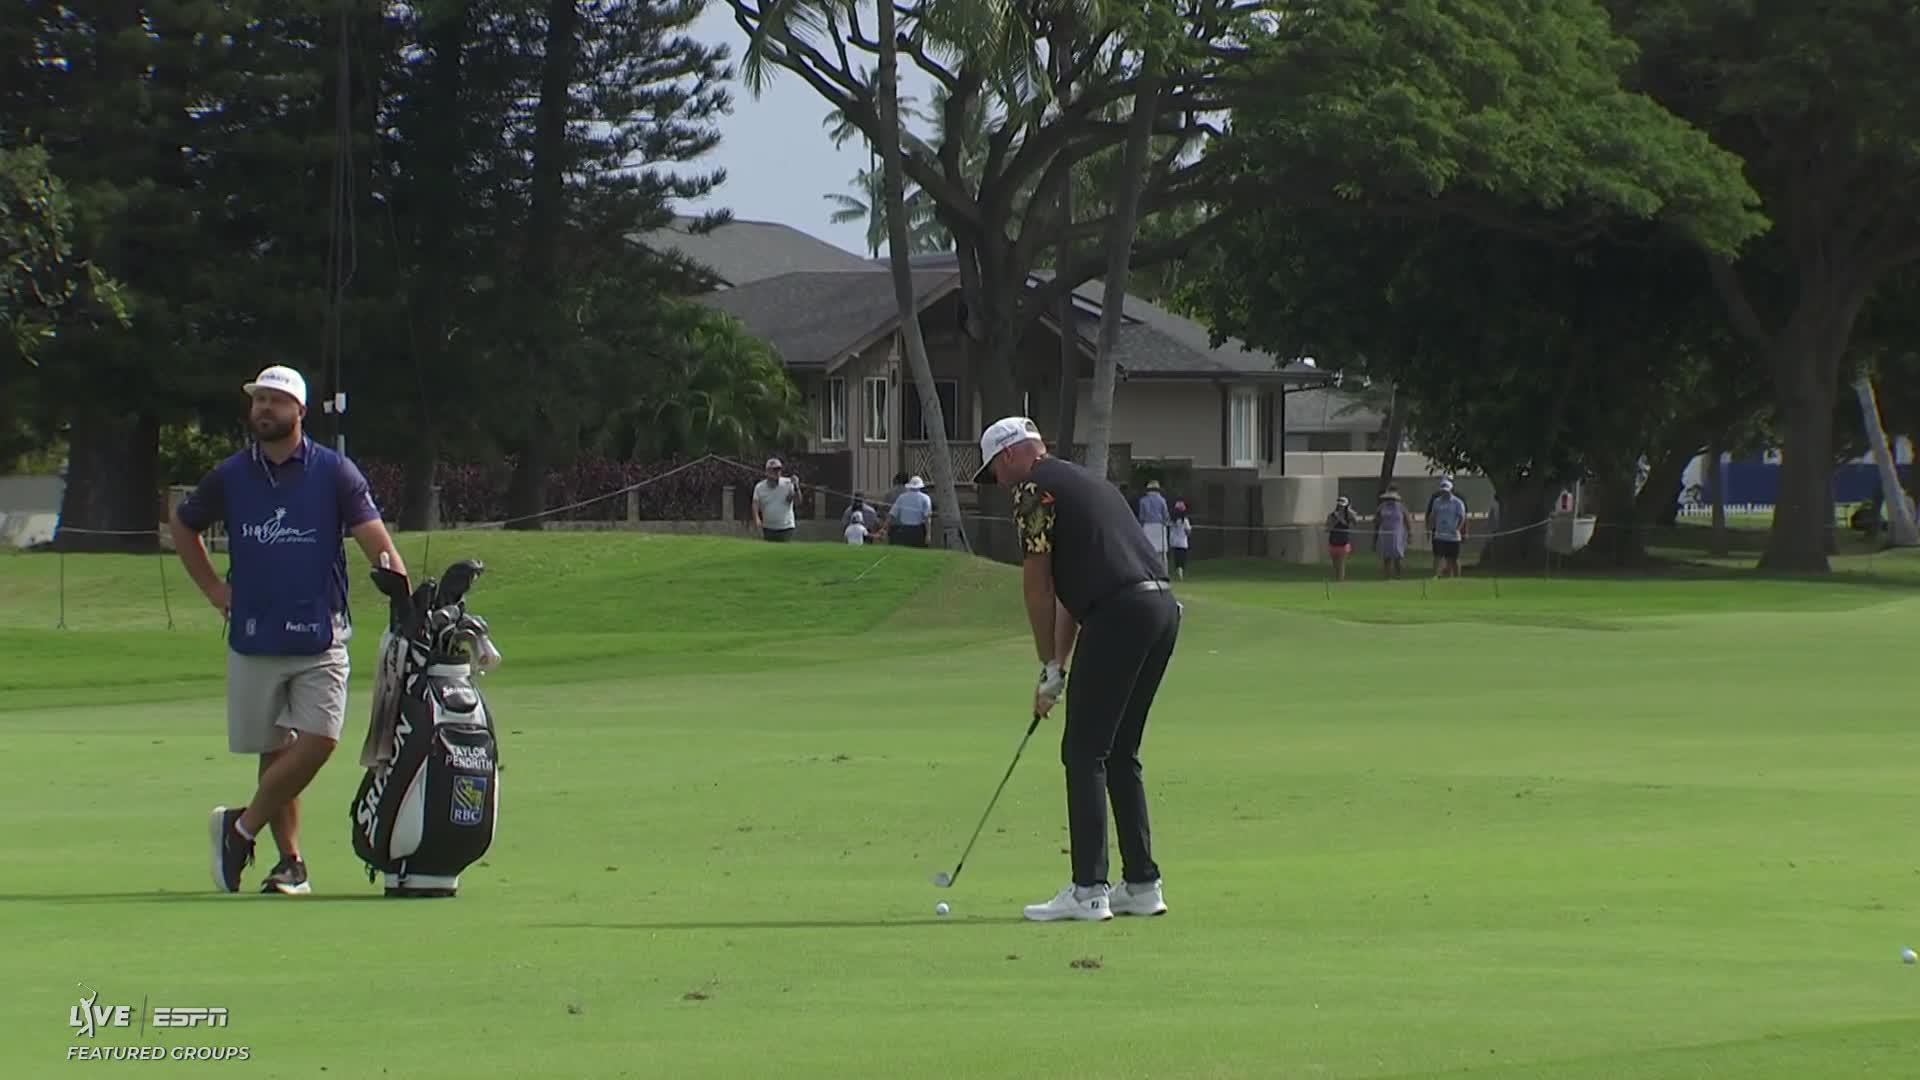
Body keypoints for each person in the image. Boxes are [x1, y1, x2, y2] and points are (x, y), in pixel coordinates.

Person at [169, 364, 406, 895]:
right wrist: (214, 590)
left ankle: (240, 828)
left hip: (321, 633)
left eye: (276, 401)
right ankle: (289, 864)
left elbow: (376, 540)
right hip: (254, 636)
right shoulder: (231, 474)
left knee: (319, 739)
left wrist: (403, 593)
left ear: (299, 410)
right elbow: (183, 524)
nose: (264, 409)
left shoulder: (334, 471)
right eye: (258, 400)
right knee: (275, 751)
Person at [973, 416, 1180, 923]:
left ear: (1009, 456)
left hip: (1120, 614)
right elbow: (1072, 597)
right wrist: (1056, 669)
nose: (997, 482)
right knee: (1119, 750)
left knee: (1083, 751)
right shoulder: (1087, 482)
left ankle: (1089, 889)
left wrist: (1045, 662)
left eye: (994, 470)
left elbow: (1038, 587)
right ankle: (1142, 884)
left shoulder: (1032, 492)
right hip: (1160, 610)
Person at [751, 457, 800, 542]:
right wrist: (757, 519)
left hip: (786, 527)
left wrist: (796, 486)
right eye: (774, 470)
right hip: (768, 528)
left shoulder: (788, 484)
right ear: (767, 472)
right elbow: (755, 504)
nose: (777, 472)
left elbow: (797, 501)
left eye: (778, 470)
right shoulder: (759, 487)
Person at [1429, 479, 1468, 578]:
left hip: (1453, 536)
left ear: (1451, 490)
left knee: (1454, 558)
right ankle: (1435, 576)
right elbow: (1433, 515)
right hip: (1440, 534)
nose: (1444, 493)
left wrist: (1457, 529)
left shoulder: (1457, 502)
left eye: (1446, 491)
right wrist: (1432, 527)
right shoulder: (1437, 501)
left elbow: (1462, 517)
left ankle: (1457, 578)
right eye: (1443, 491)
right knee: (1437, 557)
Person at [1373, 487, 1409, 579]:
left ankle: (1398, 575)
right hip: (1385, 534)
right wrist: (1378, 521)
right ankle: (1387, 575)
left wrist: (1410, 534)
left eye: (1392, 498)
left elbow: (1407, 520)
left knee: (1397, 556)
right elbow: (1376, 519)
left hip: (1398, 534)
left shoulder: (1401, 507)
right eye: (1388, 498)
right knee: (1386, 556)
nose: (1390, 500)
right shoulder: (1382, 507)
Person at [887, 475, 933, 547]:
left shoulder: (902, 497)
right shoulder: (925, 498)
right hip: (918, 530)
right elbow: (927, 517)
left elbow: (892, 514)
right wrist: (928, 534)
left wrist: (885, 528)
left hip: (903, 529)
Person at [1136, 479, 1171, 573]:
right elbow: (1166, 515)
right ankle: (1163, 572)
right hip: (1159, 526)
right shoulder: (1162, 500)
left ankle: (1149, 571)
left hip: (1147, 526)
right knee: (1162, 552)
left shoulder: (1143, 501)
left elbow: (1141, 517)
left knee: (1148, 551)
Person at [1326, 496, 1358, 581]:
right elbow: (1328, 528)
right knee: (1335, 565)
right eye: (1339, 506)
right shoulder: (1332, 515)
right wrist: (1336, 520)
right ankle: (1337, 579)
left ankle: (1340, 581)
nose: (1341, 508)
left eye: (1343, 506)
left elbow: (1354, 523)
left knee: (1341, 564)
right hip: (1333, 542)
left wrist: (1348, 515)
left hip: (1343, 543)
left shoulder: (1348, 515)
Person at [1167, 500, 1192, 581]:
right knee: (1183, 558)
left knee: (1176, 557)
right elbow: (1188, 531)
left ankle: (1177, 568)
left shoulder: (1171, 520)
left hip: (1174, 542)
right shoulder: (1185, 520)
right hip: (1183, 542)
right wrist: (1188, 531)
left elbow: (1167, 526)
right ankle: (1181, 569)